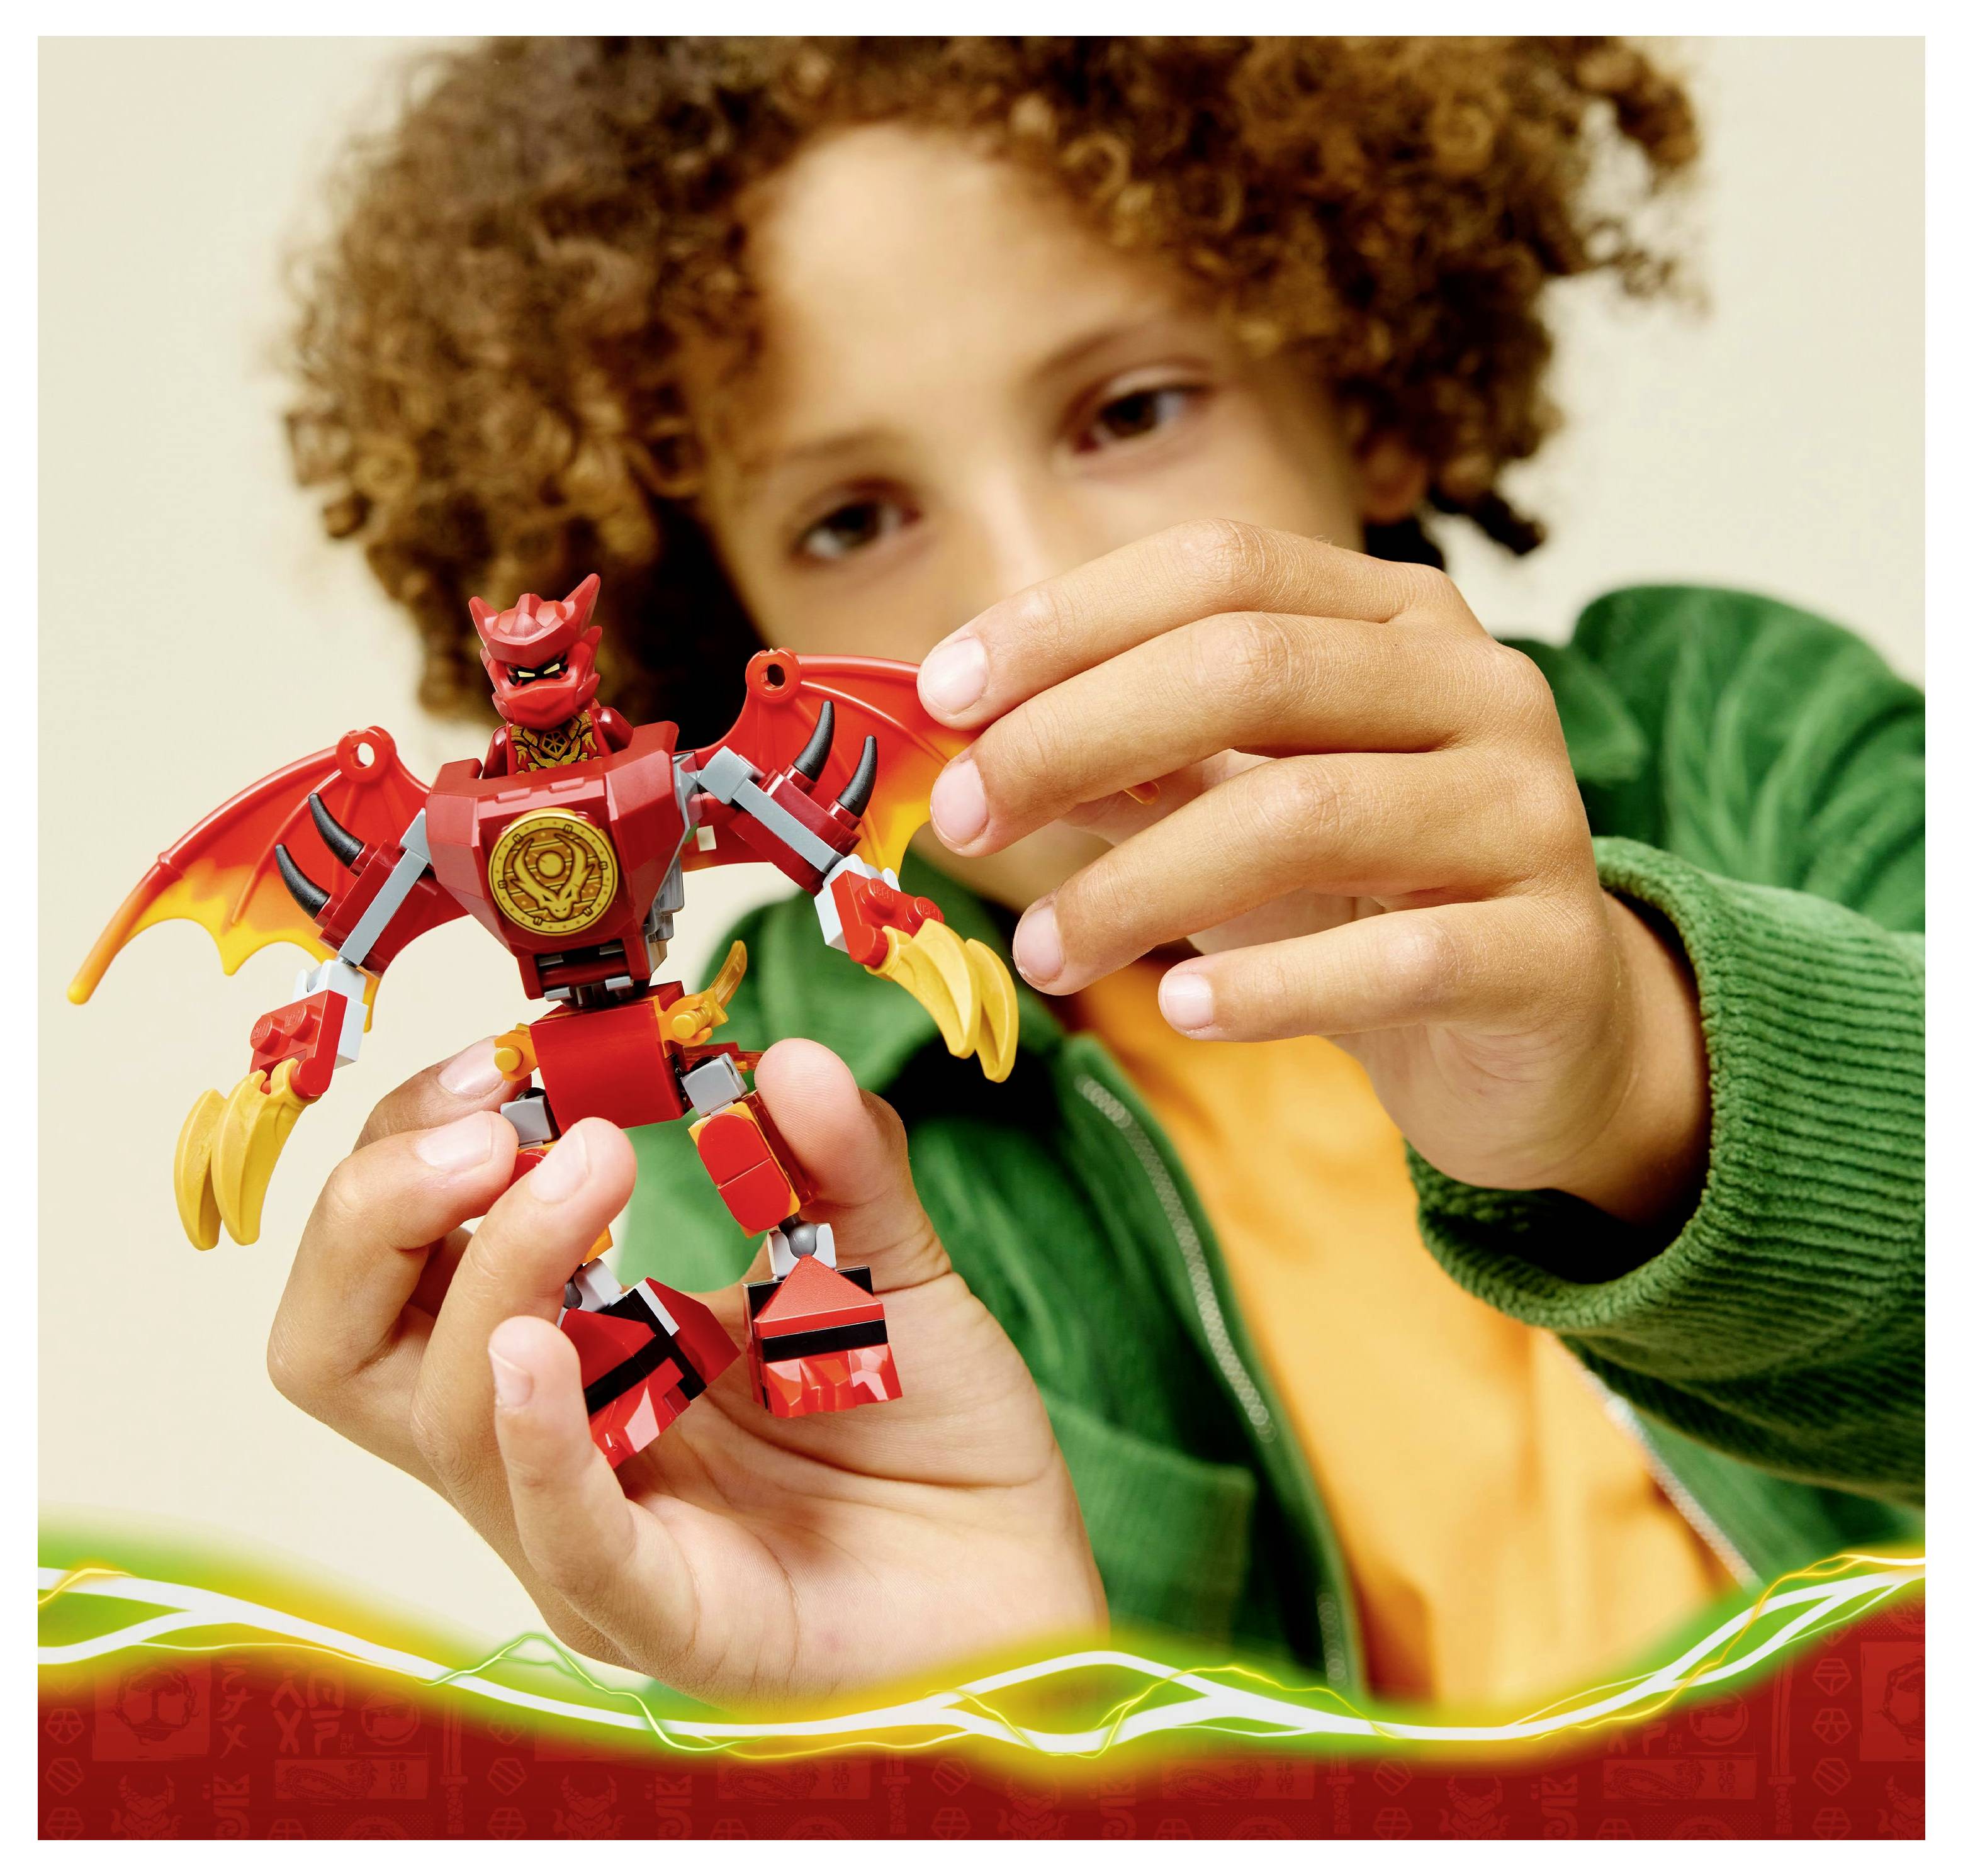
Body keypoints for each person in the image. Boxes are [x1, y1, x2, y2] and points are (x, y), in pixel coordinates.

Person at [267, 37, 1923, 1711]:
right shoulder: (763, 1131)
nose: (1025, 599)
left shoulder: (1752, 735)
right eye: (851, 520)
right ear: (719, 624)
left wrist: (1639, 1069)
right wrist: (988, 1726)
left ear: (1363, 375)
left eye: (1131, 410)